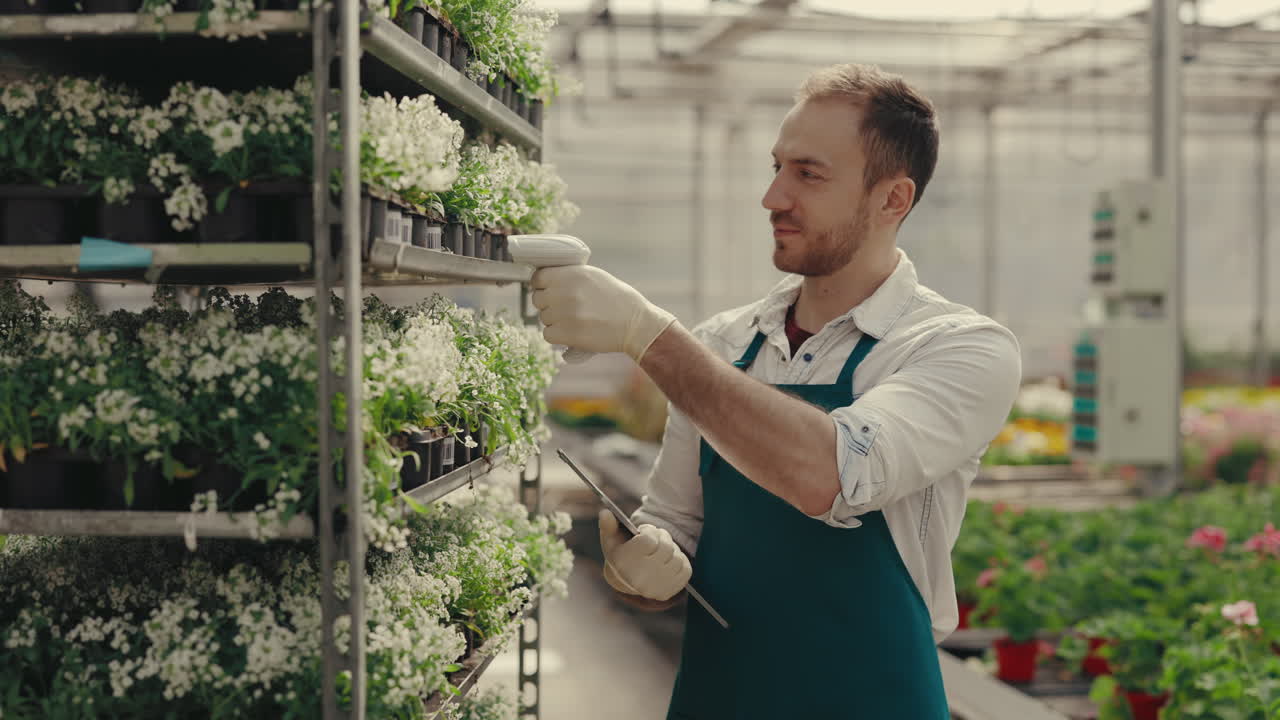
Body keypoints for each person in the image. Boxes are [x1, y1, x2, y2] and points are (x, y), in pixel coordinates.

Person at [530, 63, 1022, 719]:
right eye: (777, 167)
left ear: (892, 200)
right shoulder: (724, 343)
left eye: (808, 174)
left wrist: (650, 337)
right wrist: (641, 567)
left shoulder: (958, 347)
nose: (773, 196)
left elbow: (834, 472)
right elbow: (672, 527)